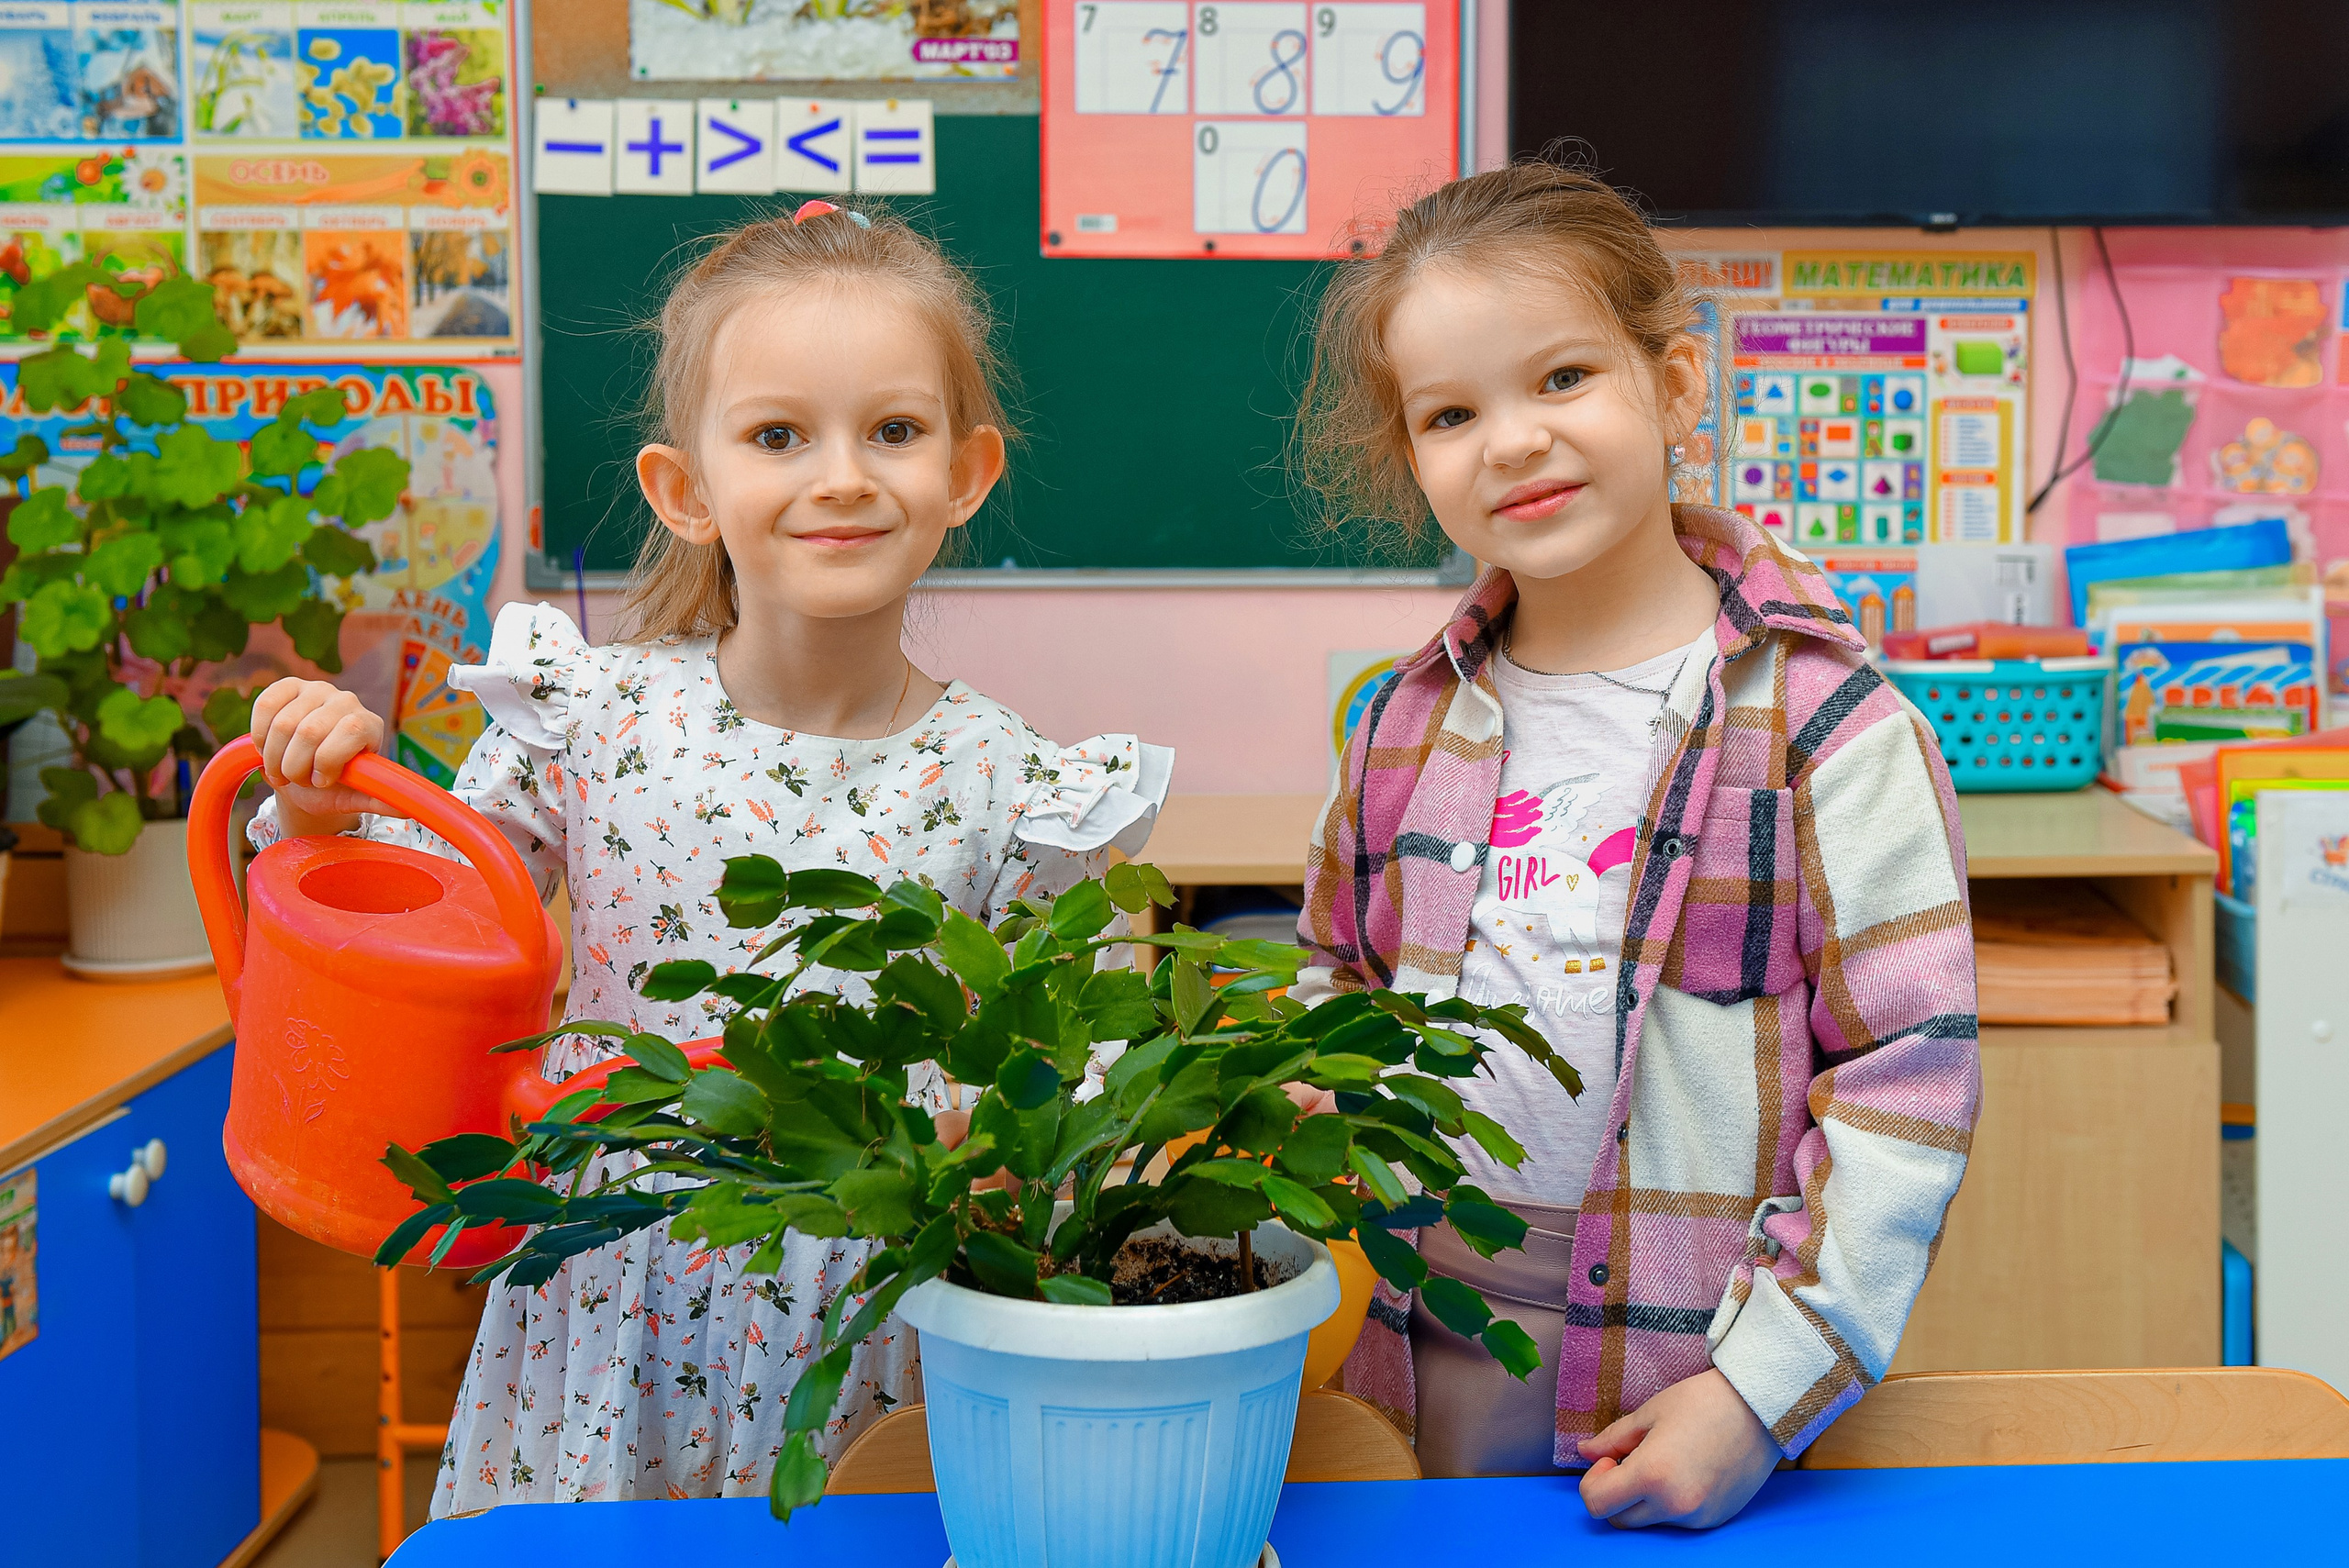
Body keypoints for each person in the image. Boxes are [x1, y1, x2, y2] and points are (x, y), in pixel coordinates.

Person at [247, 201, 1172, 1513]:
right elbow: (416, 914)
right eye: (780, 435)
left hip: (879, 1332)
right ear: (687, 489)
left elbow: (1051, 1077)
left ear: (966, 472)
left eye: (893, 431)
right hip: (612, 1306)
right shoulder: (593, 715)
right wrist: (321, 802)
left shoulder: (1020, 785)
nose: (842, 474)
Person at [1290, 163, 1981, 1529]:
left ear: (1673, 387)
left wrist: (1759, 1391)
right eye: (1451, 412)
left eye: (1561, 379)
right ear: (1411, 454)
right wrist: (1320, 1101)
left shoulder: (1827, 723)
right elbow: (1337, 974)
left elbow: (1911, 1080)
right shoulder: (1402, 721)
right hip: (1430, 1330)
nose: (1512, 441)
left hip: (1703, 1357)